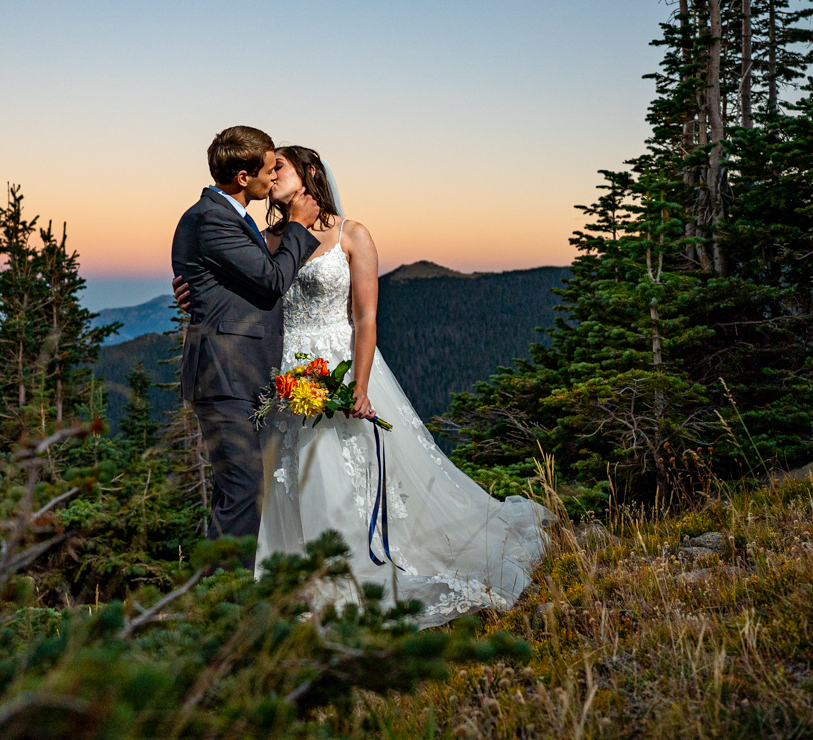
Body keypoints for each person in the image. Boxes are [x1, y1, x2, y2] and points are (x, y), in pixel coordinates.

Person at [178, 145, 548, 626]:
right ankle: (292, 580)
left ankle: (358, 564)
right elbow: (242, 285)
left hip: (340, 362)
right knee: (284, 475)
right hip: (282, 372)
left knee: (342, 470)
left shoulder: (351, 233)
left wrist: (362, 383)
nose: (271, 178)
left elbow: (366, 317)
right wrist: (192, 291)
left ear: (309, 174)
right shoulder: (264, 238)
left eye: (280, 168)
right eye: (268, 170)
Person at [170, 127, 321, 563]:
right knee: (242, 489)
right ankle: (222, 608)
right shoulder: (211, 217)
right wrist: (297, 225)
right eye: (269, 168)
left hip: (242, 372)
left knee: (238, 490)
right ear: (242, 176)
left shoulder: (227, 216)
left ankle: (219, 602)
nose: (273, 177)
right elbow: (272, 280)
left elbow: (227, 283)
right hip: (224, 372)